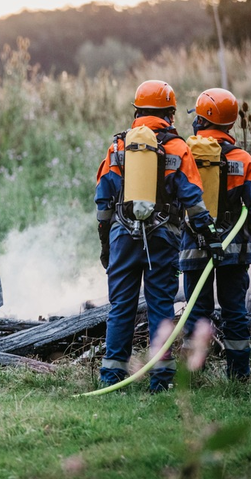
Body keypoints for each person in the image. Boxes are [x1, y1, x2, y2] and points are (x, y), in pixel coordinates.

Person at [95, 80, 222, 392]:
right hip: (163, 238)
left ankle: (112, 377)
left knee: (121, 306)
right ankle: (161, 381)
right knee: (161, 309)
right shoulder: (178, 147)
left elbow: (103, 200)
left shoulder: (119, 146)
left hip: (122, 236)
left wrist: (104, 243)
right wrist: (210, 236)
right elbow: (193, 199)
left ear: (137, 110)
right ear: (170, 113)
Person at [179, 88, 250, 380]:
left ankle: (193, 376)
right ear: (231, 123)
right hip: (234, 247)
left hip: (194, 245)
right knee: (235, 309)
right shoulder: (244, 159)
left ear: (203, 119)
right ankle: (239, 374)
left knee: (197, 311)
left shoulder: (186, 153)